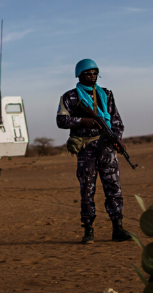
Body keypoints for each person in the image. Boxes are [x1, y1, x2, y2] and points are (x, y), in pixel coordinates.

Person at [56, 59, 133, 244]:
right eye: (87, 73)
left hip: (106, 147)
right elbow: (61, 120)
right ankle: (88, 230)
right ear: (79, 75)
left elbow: (116, 120)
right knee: (87, 191)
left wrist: (117, 139)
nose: (92, 76)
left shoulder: (106, 94)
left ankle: (118, 227)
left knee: (113, 188)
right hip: (86, 149)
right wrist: (83, 121)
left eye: (94, 73)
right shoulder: (70, 97)